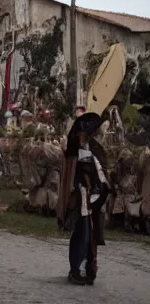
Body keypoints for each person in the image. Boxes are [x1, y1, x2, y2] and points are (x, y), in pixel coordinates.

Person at [57, 112, 109, 286]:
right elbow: (70, 174)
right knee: (82, 233)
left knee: (93, 234)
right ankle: (75, 269)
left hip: (94, 197)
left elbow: (101, 168)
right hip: (80, 197)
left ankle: (89, 269)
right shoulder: (72, 149)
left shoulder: (94, 147)